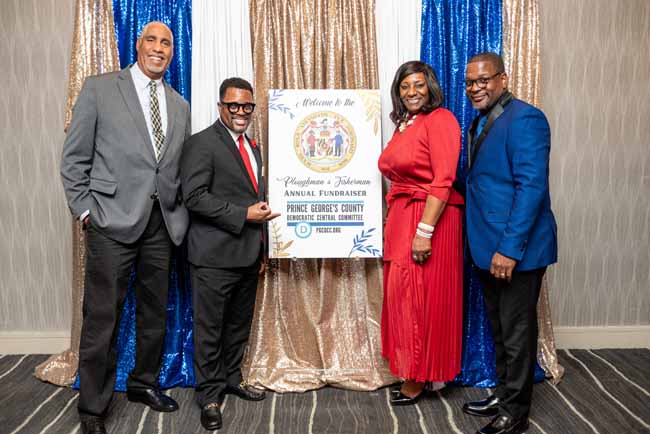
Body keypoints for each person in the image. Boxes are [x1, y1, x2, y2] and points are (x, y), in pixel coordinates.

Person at [60, 22, 190, 434]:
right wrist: (84, 210)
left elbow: (173, 170)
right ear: (138, 45)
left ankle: (143, 383)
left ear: (172, 52)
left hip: (161, 223)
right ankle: (93, 408)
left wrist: (180, 217)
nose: (159, 48)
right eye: (151, 40)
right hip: (110, 219)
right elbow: (74, 157)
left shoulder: (179, 105)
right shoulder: (100, 88)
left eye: (166, 43)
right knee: (102, 317)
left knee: (155, 312)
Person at [461, 52, 557, 434]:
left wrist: (508, 250)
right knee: (500, 330)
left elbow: (531, 187)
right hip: (486, 244)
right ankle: (504, 395)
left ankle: (515, 415)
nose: (475, 88)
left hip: (515, 249)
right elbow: (481, 180)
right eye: (470, 82)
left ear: (502, 78)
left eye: (483, 80)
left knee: (517, 334)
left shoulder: (526, 119)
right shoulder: (483, 119)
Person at [180, 77, 280, 431]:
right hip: (212, 256)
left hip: (248, 253)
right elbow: (193, 197)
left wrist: (265, 247)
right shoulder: (201, 144)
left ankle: (231, 379)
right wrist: (243, 215)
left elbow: (259, 197)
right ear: (220, 106)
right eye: (233, 105)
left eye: (247, 106)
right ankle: (209, 396)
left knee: (238, 326)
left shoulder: (252, 146)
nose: (240, 112)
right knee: (210, 329)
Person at [378, 61, 464, 405]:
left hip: (428, 218)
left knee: (421, 299)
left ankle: (421, 375)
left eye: (418, 85)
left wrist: (424, 231)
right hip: (403, 217)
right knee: (403, 296)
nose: (411, 92)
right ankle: (413, 368)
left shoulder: (440, 119)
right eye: (404, 86)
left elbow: (443, 179)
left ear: (430, 87)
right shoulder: (404, 124)